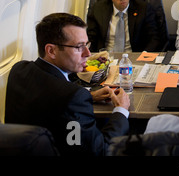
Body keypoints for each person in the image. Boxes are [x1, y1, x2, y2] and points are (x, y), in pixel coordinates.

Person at [5, 13, 130, 156]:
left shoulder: (19, 69)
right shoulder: (74, 97)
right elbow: (99, 151)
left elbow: (48, 100)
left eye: (87, 45)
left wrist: (90, 96)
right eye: (79, 47)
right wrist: (121, 110)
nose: (87, 53)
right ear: (51, 50)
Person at [87, 0, 167, 53]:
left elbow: (154, 39)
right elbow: (91, 38)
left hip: (133, 57)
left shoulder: (143, 9)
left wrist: (143, 56)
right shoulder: (98, 9)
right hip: (106, 58)